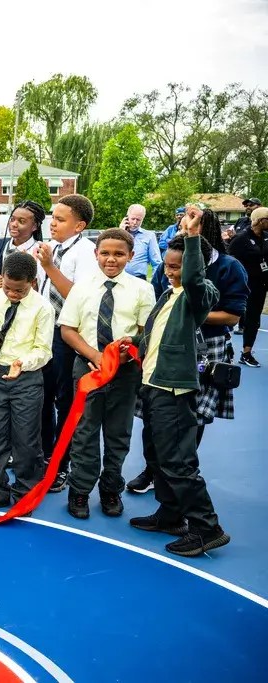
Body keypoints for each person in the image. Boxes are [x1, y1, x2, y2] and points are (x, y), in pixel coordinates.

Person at [129, 211, 230, 557]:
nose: (170, 272)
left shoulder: (197, 295)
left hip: (174, 390)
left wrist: (188, 237)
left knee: (178, 461)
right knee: (156, 455)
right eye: (168, 266)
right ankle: (171, 514)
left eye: (177, 267)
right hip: (153, 386)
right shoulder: (169, 295)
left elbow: (195, 279)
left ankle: (207, 527)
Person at [126, 210, 249, 494]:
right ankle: (153, 470)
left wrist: (188, 314)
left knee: (190, 422)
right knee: (154, 416)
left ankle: (178, 476)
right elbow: (164, 302)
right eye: (183, 226)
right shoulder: (168, 268)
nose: (185, 230)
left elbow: (232, 315)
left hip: (205, 350)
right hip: (165, 352)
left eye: (192, 227)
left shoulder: (228, 268)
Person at [58, 228, 155, 519]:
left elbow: (144, 332)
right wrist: (96, 356)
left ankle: (110, 487)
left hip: (124, 372)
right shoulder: (82, 287)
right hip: (87, 367)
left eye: (118, 254)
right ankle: (80, 489)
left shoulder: (142, 289)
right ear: (96, 254)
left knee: (118, 432)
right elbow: (68, 329)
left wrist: (118, 358)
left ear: (130, 256)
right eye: (105, 253)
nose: (111, 259)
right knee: (85, 431)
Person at [0, 252, 54, 510]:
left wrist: (21, 364)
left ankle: (26, 492)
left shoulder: (42, 308)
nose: (12, 294)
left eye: (19, 290)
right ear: (1, 278)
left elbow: (44, 350)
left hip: (27, 378)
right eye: (8, 288)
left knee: (26, 439)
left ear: (33, 282)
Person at [36, 194, 99, 493]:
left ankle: (61, 464)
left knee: (64, 399)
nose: (53, 222)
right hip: (44, 331)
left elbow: (78, 295)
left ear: (79, 226)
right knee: (43, 395)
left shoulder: (86, 252)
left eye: (61, 219)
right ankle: (45, 453)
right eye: (53, 216)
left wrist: (49, 266)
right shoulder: (54, 248)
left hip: (66, 334)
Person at [229, 205, 268, 367]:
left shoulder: (266, 237)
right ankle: (227, 348)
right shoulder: (241, 239)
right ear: (260, 221)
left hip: (261, 284)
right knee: (233, 316)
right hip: (244, 285)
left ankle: (246, 353)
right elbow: (230, 261)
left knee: (254, 319)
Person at [0, 201, 47, 292]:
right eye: (12, 219)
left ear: (35, 226)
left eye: (21, 221)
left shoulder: (40, 251)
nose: (14, 224)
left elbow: (41, 287)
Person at [121, 204, 162, 280]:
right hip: (118, 278)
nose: (135, 222)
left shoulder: (149, 236)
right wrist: (121, 232)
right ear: (127, 218)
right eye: (132, 219)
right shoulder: (118, 234)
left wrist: (154, 283)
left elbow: (157, 263)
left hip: (139, 279)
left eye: (138, 220)